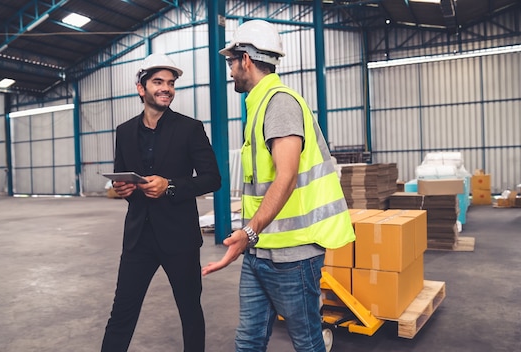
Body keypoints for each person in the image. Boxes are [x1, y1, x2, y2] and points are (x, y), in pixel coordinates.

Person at [202, 20, 355, 352]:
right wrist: (251, 239)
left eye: (231, 61)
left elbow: (286, 177)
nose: (230, 69)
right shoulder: (258, 105)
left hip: (294, 255)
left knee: (306, 341)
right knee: (248, 340)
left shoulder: (279, 103)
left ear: (245, 59)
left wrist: (250, 231)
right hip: (260, 251)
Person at [101, 53, 221, 352]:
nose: (165, 88)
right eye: (158, 82)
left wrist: (170, 186)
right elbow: (119, 181)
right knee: (121, 313)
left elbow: (212, 178)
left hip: (179, 237)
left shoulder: (190, 128)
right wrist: (122, 188)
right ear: (141, 88)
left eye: (170, 83)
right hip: (138, 238)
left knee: (190, 312)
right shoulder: (124, 131)